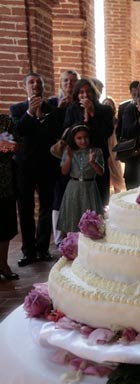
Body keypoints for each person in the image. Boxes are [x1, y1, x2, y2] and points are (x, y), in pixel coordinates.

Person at [10, 72, 62, 266]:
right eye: (31, 82)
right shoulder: (17, 109)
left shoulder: (52, 109)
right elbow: (17, 132)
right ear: (25, 87)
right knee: (25, 209)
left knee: (47, 208)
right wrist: (31, 114)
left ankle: (42, 248)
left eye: (38, 82)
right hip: (24, 167)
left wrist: (42, 118)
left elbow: (55, 133)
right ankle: (28, 251)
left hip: (47, 165)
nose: (35, 84)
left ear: (43, 86)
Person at [64, 79, 113, 206]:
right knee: (81, 204)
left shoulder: (105, 110)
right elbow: (68, 133)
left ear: (94, 93)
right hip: (78, 163)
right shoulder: (72, 110)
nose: (85, 95)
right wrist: (84, 121)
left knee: (100, 202)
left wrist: (92, 113)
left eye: (88, 91)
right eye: (81, 92)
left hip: (98, 159)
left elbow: (106, 132)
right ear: (76, 94)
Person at [48, 69, 79, 247]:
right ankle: (60, 241)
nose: (69, 84)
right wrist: (59, 110)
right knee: (59, 197)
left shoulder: (80, 104)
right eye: (66, 81)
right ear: (60, 83)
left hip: (77, 157)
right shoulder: (52, 103)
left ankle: (76, 237)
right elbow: (49, 130)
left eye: (73, 81)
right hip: (58, 157)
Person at [57, 125, 104, 234]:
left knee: (92, 223)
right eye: (79, 138)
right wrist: (69, 158)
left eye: (86, 137)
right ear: (73, 139)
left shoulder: (96, 151)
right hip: (74, 188)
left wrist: (93, 162)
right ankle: (71, 247)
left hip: (90, 188)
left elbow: (101, 172)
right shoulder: (69, 151)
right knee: (72, 219)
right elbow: (64, 171)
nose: (83, 141)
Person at [0, 118, 19, 280]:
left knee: (5, 226)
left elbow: (17, 143)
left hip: (5, 181)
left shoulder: (6, 121)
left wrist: (14, 147)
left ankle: (3, 264)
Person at [102, 96, 125, 194]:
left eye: (110, 105)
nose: (108, 107)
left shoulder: (117, 120)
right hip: (105, 144)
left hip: (114, 145)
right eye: (106, 104)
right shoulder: (100, 120)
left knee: (116, 168)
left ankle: (118, 192)